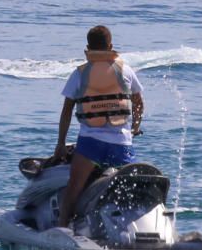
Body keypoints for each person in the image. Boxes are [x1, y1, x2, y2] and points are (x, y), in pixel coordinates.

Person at [54, 25, 144, 229]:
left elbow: (67, 110)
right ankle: (136, 229)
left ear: (87, 47)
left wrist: (60, 144)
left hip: (90, 144)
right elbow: (139, 103)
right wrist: (135, 128)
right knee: (129, 188)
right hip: (121, 143)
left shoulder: (79, 74)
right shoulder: (126, 70)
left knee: (74, 188)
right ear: (111, 46)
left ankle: (62, 227)